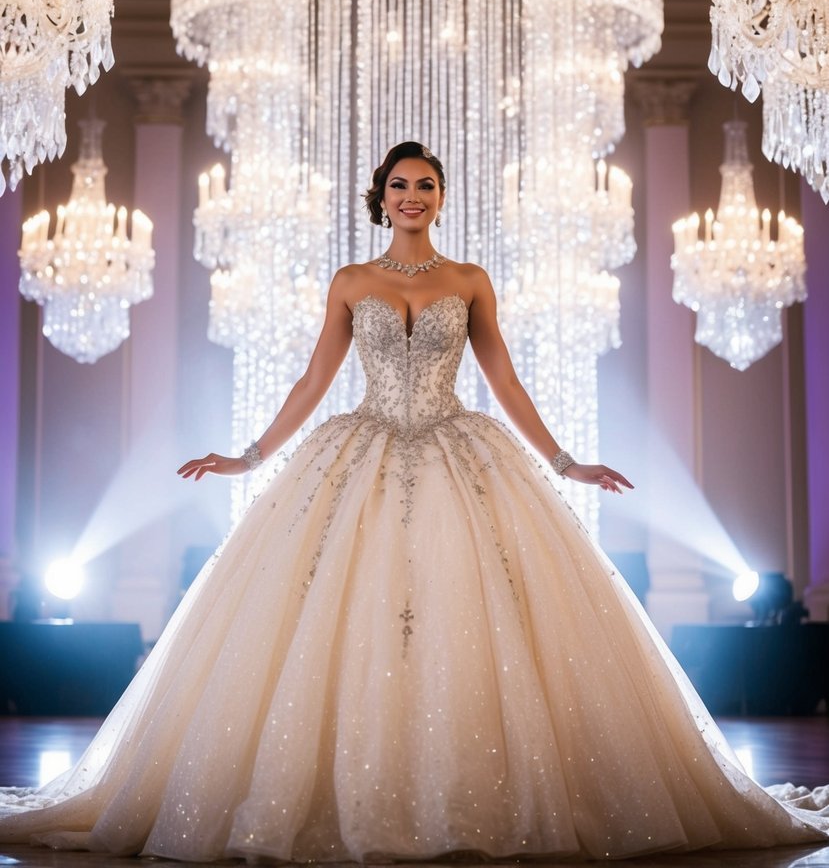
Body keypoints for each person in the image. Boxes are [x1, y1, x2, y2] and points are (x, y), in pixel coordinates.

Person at [1, 140, 827, 861]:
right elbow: (312, 379)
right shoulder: (350, 279)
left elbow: (502, 379)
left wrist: (567, 462)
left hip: (458, 448)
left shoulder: (468, 280)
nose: (412, 197)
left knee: (463, 610)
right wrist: (246, 457)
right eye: (400, 185)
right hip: (356, 448)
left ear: (440, 198)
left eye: (425, 185)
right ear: (380, 196)